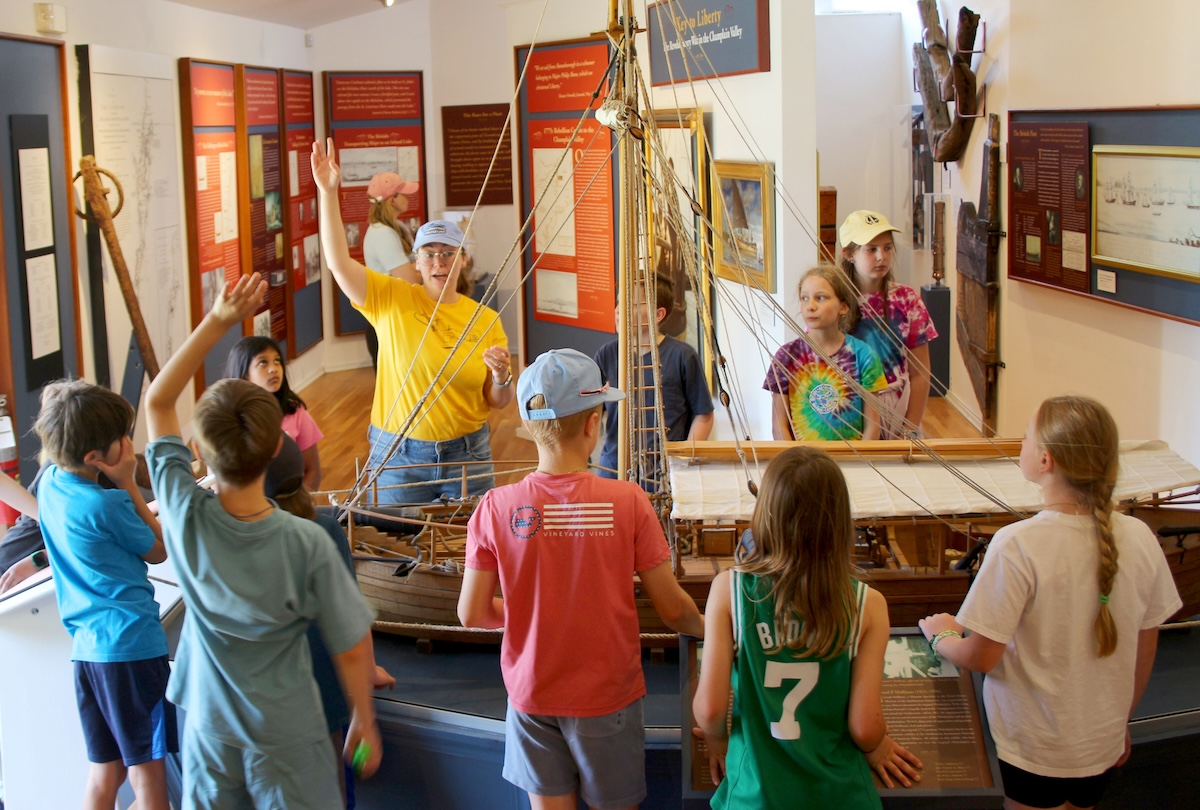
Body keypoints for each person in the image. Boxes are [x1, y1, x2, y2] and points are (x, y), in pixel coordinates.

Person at [144, 272, 383, 807]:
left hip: (208, 724)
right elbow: (348, 646)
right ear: (278, 445)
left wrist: (218, 321)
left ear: (200, 453)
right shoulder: (307, 542)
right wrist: (363, 718)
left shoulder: (184, 515)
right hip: (289, 729)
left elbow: (158, 402)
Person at [458, 348, 705, 810]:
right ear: (594, 424)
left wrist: (532, 612)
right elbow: (674, 610)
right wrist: (714, 630)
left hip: (531, 693)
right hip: (607, 696)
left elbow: (471, 614)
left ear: (528, 423)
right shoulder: (629, 502)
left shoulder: (495, 507)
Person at [919, 396, 1181, 810]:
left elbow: (981, 657)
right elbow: (1145, 647)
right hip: (1102, 742)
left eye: (1025, 437)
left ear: (1045, 460)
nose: (1020, 443)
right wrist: (1120, 723)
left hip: (1032, 748)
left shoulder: (1016, 544)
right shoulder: (1140, 537)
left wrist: (942, 635)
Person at [693, 447, 922, 808]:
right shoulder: (868, 605)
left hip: (757, 796)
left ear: (766, 513)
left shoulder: (730, 590)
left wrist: (717, 740)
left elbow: (709, 710)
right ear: (839, 523)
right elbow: (865, 727)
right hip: (839, 796)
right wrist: (878, 747)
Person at [313, 138, 512, 504]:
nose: (439, 263)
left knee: (471, 539)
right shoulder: (392, 298)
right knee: (392, 539)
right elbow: (338, 263)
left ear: (463, 259)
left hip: (468, 455)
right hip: (399, 455)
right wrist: (327, 193)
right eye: (429, 254)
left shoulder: (485, 319)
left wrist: (502, 377)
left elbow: (497, 401)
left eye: (448, 254)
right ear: (416, 261)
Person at [32, 379, 174, 810]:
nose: (129, 444)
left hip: (88, 652)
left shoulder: (50, 483)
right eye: (122, 437)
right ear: (94, 457)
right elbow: (158, 549)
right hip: (132, 650)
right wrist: (128, 482)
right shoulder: (106, 504)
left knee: (106, 772)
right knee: (149, 779)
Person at [264, 434, 396, 808]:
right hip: (323, 701)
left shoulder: (230, 535)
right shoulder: (323, 530)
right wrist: (367, 678)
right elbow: (350, 622)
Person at [594, 274, 713, 482]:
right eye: (619, 302)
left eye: (631, 304)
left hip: (663, 475)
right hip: (614, 469)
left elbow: (704, 415)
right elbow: (594, 412)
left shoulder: (682, 356)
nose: (618, 310)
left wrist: (684, 462)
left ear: (658, 314)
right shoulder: (607, 354)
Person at [840, 210, 939, 439]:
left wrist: (910, 428)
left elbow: (920, 373)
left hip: (895, 409)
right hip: (846, 410)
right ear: (849, 254)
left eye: (887, 248)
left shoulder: (906, 299)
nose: (881, 257)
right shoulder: (833, 299)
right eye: (871, 249)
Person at [764, 265, 887, 441]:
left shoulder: (864, 356)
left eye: (820, 298)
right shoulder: (786, 356)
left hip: (854, 456)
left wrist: (861, 457)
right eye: (804, 298)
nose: (810, 306)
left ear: (843, 307)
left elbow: (873, 427)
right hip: (803, 456)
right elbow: (779, 426)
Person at [225, 335, 323, 491]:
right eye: (263, 362)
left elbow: (312, 470)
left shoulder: (295, 412)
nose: (274, 369)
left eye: (277, 361)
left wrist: (299, 503)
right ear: (244, 374)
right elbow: (220, 482)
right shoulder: (227, 417)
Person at [362, 171, 421, 371]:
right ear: (393, 200)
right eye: (403, 193)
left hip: (400, 317)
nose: (408, 197)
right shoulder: (382, 234)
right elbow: (410, 278)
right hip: (387, 322)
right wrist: (423, 270)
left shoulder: (398, 228)